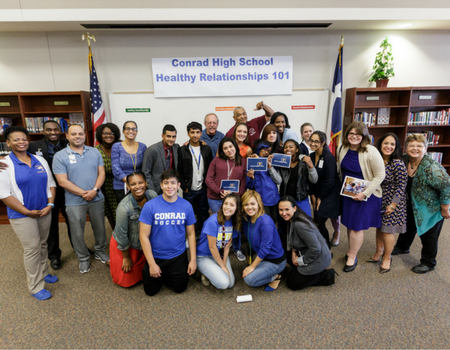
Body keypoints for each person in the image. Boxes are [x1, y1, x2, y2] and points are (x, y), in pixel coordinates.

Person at [0, 126, 58, 300]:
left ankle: (44, 272)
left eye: (24, 139)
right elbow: (4, 194)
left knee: (42, 244)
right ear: (8, 143)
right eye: (16, 139)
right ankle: (35, 286)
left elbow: (51, 183)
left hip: (44, 210)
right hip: (22, 215)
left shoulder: (39, 160)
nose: (21, 142)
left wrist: (50, 204)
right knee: (31, 249)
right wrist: (27, 211)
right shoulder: (5, 165)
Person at [53, 124, 109, 274]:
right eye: (74, 134)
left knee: (100, 228)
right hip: (74, 201)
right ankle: (83, 258)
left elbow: (101, 173)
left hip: (96, 197)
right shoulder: (60, 156)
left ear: (84, 135)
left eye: (80, 134)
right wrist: (84, 193)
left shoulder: (94, 152)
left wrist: (95, 190)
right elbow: (62, 181)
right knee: (77, 232)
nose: (77, 136)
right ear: (67, 136)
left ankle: (100, 251)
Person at [391, 134, 450, 274]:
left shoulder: (432, 168)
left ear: (426, 148)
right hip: (412, 204)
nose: (415, 149)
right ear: (405, 148)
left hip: (430, 209)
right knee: (408, 226)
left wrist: (445, 208)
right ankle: (402, 246)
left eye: (419, 146)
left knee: (429, 235)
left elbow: (446, 186)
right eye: (411, 145)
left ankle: (428, 263)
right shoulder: (404, 160)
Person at [337, 121, 385, 272]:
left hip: (366, 195)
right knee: (350, 224)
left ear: (364, 136)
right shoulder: (342, 148)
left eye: (358, 134)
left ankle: (352, 256)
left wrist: (364, 193)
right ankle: (351, 250)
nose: (354, 136)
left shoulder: (371, 151)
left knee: (357, 227)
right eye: (351, 133)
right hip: (348, 193)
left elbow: (380, 175)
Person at [139, 169, 197, 296]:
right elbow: (143, 236)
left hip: (178, 256)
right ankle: (161, 273)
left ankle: (167, 275)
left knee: (180, 289)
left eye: (173, 183)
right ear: (161, 185)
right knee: (150, 292)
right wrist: (152, 264)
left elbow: (191, 234)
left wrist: (193, 260)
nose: (169, 186)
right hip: (156, 256)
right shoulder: (150, 206)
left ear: (178, 185)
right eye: (166, 183)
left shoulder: (187, 206)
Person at [28, 120, 70, 270]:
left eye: (56, 130)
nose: (53, 133)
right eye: (49, 130)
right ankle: (54, 256)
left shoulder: (68, 142)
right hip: (47, 192)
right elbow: (17, 155)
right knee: (51, 226)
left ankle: (79, 249)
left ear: (61, 130)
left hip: (68, 190)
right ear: (43, 131)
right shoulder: (33, 146)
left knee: (72, 222)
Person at [366, 133, 407, 273]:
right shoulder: (377, 160)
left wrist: (393, 204)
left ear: (396, 147)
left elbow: (402, 186)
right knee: (379, 228)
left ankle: (387, 258)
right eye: (386, 143)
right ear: (380, 144)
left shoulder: (397, 163)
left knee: (387, 232)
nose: (388, 146)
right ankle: (378, 253)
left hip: (393, 201)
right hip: (379, 199)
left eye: (392, 144)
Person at [110, 172, 157, 287]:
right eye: (133, 184)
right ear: (128, 187)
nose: (137, 187)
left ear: (146, 183)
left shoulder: (153, 195)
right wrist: (126, 257)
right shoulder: (123, 208)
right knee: (126, 281)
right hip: (128, 245)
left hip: (145, 240)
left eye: (140, 182)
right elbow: (121, 235)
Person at [278, 196, 336, 290]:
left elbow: (316, 249)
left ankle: (326, 276)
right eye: (281, 210)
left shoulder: (301, 225)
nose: (283, 213)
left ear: (294, 208)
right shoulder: (293, 218)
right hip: (307, 251)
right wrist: (294, 251)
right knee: (286, 253)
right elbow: (294, 238)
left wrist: (300, 261)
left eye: (287, 209)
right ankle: (306, 271)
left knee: (291, 283)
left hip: (319, 258)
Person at [205, 137, 247, 262]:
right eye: (225, 148)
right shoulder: (216, 161)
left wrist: (234, 195)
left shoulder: (243, 161)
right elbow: (209, 179)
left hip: (234, 200)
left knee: (236, 224)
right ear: (222, 150)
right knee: (220, 224)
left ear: (235, 146)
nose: (229, 150)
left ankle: (237, 248)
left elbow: (243, 183)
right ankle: (220, 249)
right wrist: (220, 191)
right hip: (216, 198)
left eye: (231, 146)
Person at [241, 190, 286, 291]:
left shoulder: (266, 222)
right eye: (246, 204)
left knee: (249, 280)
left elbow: (265, 249)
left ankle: (276, 277)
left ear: (259, 204)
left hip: (275, 261)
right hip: (263, 256)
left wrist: (252, 266)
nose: (249, 207)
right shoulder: (247, 219)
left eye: (253, 203)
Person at [196, 194, 241, 289]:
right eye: (226, 204)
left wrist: (223, 264)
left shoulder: (234, 221)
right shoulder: (212, 221)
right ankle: (204, 272)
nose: (228, 207)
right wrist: (222, 267)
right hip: (204, 256)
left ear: (237, 207)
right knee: (223, 284)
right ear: (222, 205)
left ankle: (214, 270)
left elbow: (227, 246)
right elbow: (212, 248)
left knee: (230, 283)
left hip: (218, 254)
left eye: (232, 205)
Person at [178, 122, 213, 238]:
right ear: (188, 133)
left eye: (197, 132)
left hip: (203, 188)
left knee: (203, 214)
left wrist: (208, 186)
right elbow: (179, 170)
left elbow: (210, 169)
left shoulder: (206, 149)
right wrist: (184, 187)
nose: (195, 135)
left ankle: (203, 236)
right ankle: (190, 236)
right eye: (192, 132)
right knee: (189, 214)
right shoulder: (182, 150)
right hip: (189, 189)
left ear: (201, 133)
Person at [309, 131, 340, 249]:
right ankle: (322, 245)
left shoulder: (328, 157)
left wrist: (319, 197)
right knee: (317, 221)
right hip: (317, 192)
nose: (312, 143)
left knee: (319, 220)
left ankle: (326, 248)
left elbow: (330, 181)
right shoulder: (311, 156)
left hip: (329, 193)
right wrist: (312, 194)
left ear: (322, 143)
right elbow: (310, 177)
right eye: (311, 140)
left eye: (316, 141)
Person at [270, 139, 318, 217]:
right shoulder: (281, 163)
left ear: (297, 149)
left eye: (291, 147)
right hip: (286, 199)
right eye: (285, 147)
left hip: (301, 199)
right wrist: (270, 167)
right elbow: (279, 181)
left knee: (306, 222)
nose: (288, 149)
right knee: (285, 224)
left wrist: (310, 166)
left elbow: (314, 180)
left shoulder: (303, 162)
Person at [111, 121, 147, 204]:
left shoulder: (142, 146)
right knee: (125, 211)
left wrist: (138, 182)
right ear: (123, 131)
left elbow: (145, 167)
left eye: (134, 129)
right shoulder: (116, 146)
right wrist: (129, 181)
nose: (131, 131)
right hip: (121, 185)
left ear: (137, 132)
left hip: (139, 186)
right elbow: (115, 168)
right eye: (128, 128)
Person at [246, 140, 280, 223]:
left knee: (275, 220)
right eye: (264, 150)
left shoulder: (271, 161)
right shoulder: (252, 161)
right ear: (259, 149)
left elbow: (279, 180)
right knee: (266, 222)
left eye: (269, 151)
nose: (266, 153)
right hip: (262, 199)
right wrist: (252, 177)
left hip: (274, 197)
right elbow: (249, 185)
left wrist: (270, 166)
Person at [95, 122, 121, 229]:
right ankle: (115, 233)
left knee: (122, 212)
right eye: (105, 133)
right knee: (109, 211)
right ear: (100, 135)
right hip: (104, 186)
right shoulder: (95, 151)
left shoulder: (122, 146)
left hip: (121, 184)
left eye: (111, 133)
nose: (108, 136)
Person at [142, 124, 179, 194]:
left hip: (171, 188)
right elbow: (145, 172)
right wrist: (152, 190)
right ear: (162, 136)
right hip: (156, 188)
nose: (171, 139)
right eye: (168, 136)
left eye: (174, 137)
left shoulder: (176, 148)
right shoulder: (152, 150)